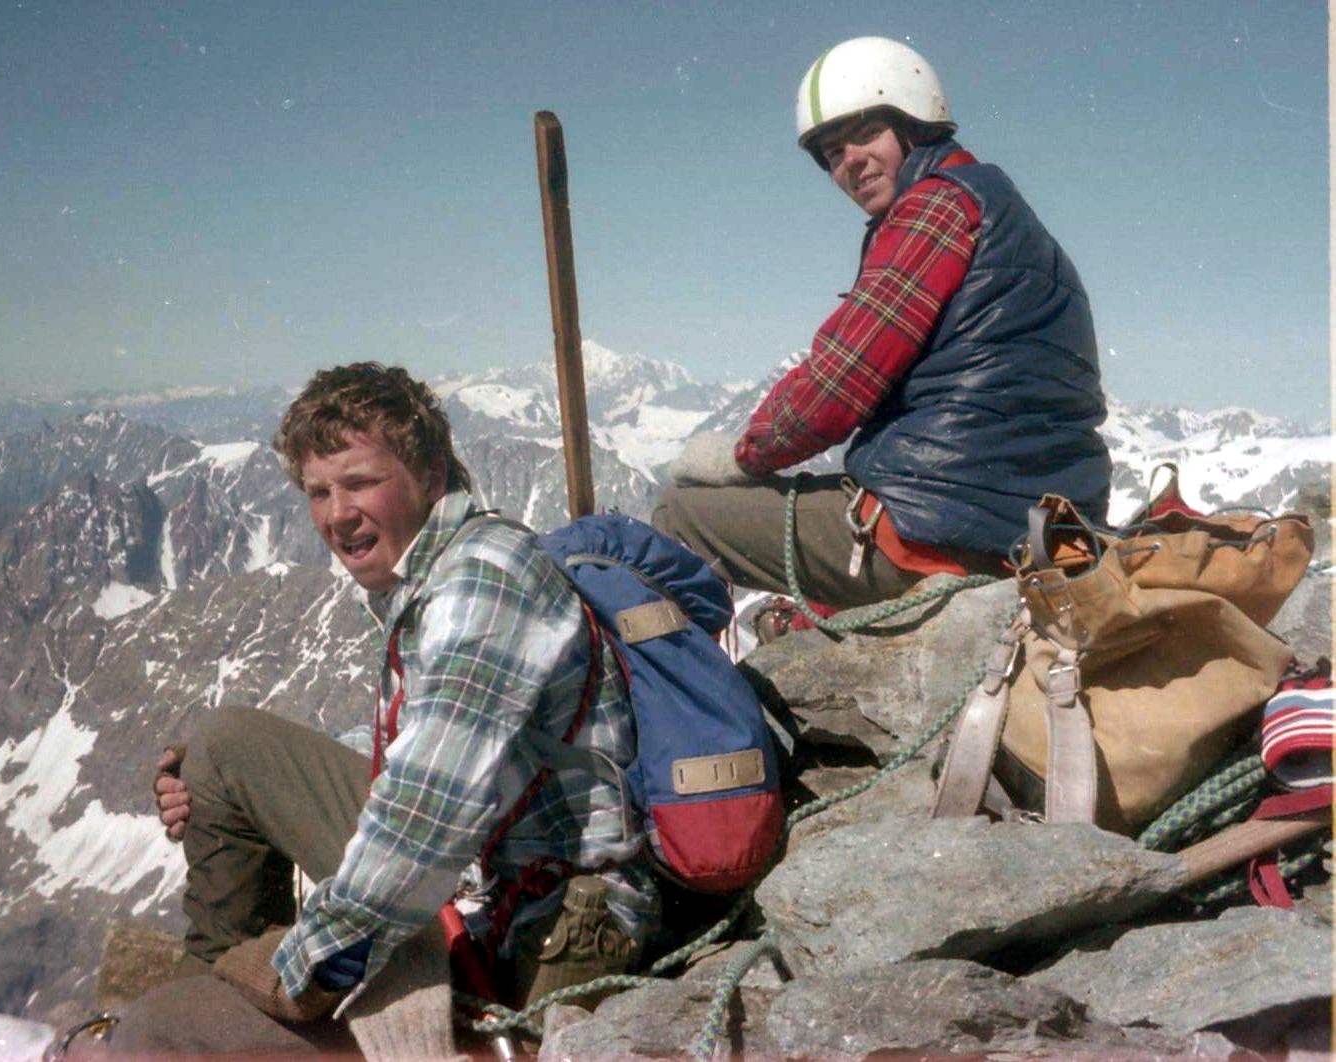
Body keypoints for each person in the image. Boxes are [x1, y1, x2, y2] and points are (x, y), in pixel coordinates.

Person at [126, 362, 658, 1057]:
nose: (334, 514)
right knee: (220, 748)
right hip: (491, 873)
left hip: (556, 926)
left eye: (359, 482)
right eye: (317, 491)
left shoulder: (481, 582)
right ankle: (217, 985)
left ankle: (232, 1015)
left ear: (431, 477)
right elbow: (432, 737)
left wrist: (304, 969)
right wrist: (216, 786)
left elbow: (427, 818)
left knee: (169, 1029)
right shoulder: (439, 567)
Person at [654, 36, 1111, 611]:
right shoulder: (1001, 212)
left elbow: (841, 380)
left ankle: (694, 697)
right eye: (830, 152)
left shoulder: (935, 209)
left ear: (915, 123)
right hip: (1037, 528)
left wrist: (741, 457)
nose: (849, 161)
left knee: (680, 511)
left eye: (866, 133)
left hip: (941, 528)